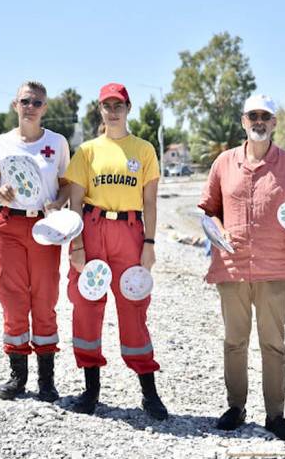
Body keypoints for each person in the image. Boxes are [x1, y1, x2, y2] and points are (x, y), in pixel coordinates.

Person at [198, 94, 285, 441]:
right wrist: (216, 230)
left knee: (273, 344)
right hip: (230, 267)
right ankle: (236, 407)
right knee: (234, 341)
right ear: (243, 121)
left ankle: (275, 415)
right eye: (253, 116)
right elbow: (208, 209)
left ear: (275, 122)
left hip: (275, 269)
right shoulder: (223, 162)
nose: (259, 121)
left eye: (266, 116)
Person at [65, 83, 167, 420]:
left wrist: (149, 243)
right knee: (86, 306)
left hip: (130, 233)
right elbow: (75, 201)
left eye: (118, 104)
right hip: (92, 230)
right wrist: (77, 245)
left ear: (128, 107)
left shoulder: (144, 149)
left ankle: (149, 393)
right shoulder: (88, 151)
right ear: (100, 110)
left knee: (134, 306)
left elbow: (150, 201)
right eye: (107, 105)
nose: (113, 110)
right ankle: (91, 390)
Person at [0, 81, 70, 402]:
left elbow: (66, 186)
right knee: (12, 297)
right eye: (25, 101)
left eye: (37, 102)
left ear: (45, 108)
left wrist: (57, 205)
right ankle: (18, 375)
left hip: (44, 229)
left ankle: (47, 380)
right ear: (15, 105)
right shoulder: (1, 143)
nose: (30, 106)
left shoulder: (57, 143)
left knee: (44, 298)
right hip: (8, 226)